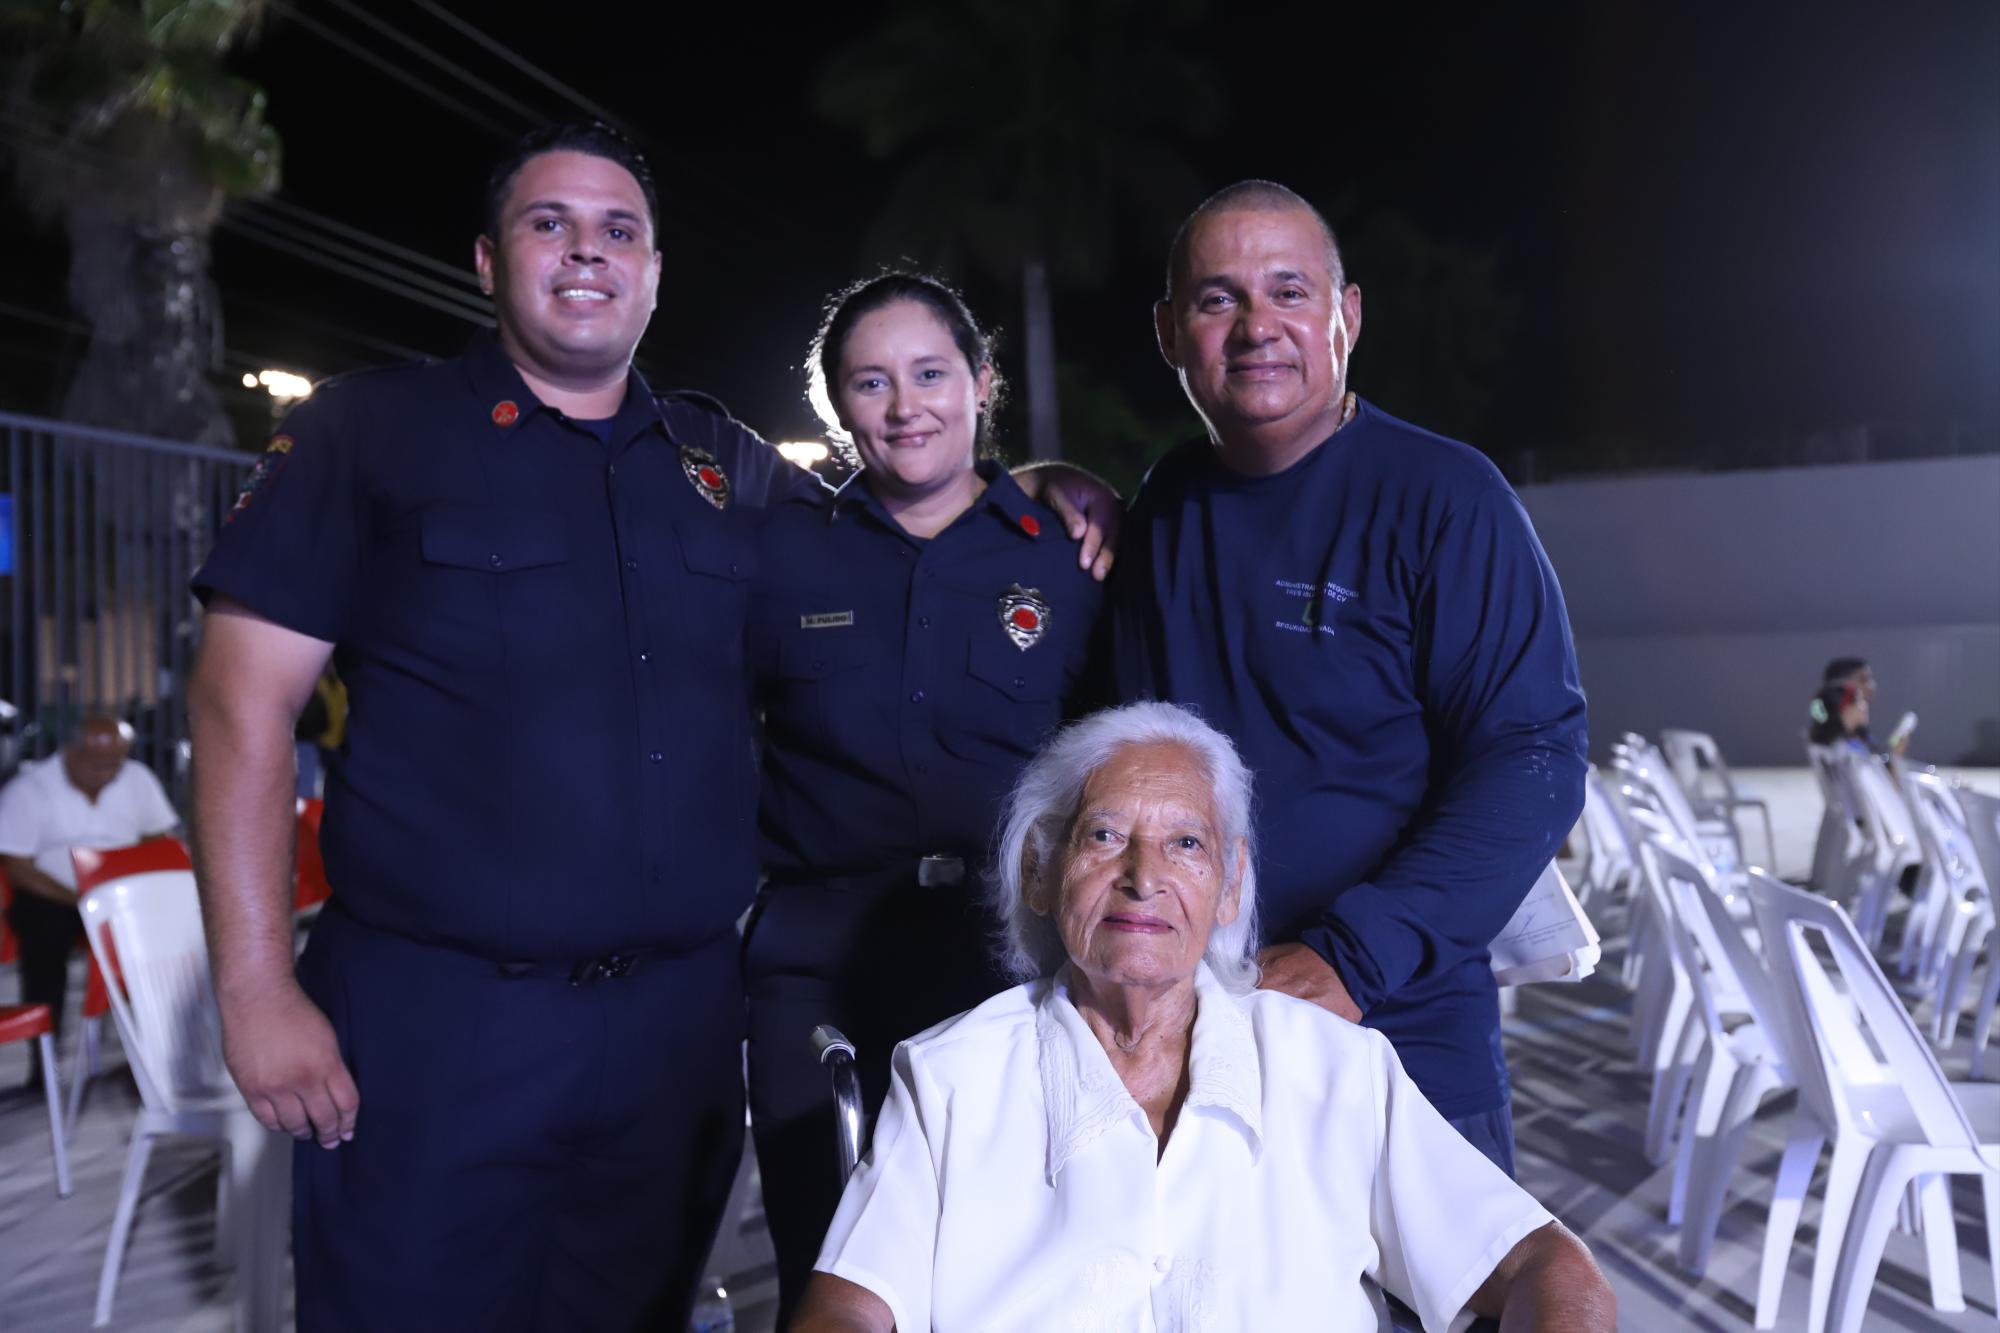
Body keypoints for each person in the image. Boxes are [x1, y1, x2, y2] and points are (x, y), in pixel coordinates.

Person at [187, 122, 1120, 1330]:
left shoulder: (721, 467)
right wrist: (256, 993)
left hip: (670, 1036)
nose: (588, 252)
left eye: (618, 229)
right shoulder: (365, 434)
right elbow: (235, 702)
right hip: (440, 1022)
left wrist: (1041, 486)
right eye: (549, 224)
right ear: (486, 258)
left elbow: (908, 513)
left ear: (655, 272)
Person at [794, 702, 1617, 1332]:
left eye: (1186, 843)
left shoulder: (1335, 1067)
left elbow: (1552, 1269)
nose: (1143, 875)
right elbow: (847, 1308)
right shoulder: (950, 1077)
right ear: (1042, 874)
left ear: (1230, 885)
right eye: (1105, 834)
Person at [1101, 180, 1588, 1176]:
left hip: (1395, 1021)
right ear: (1166, 332)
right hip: (1196, 1021)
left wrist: (1350, 957)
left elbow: (1531, 761)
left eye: (1288, 290)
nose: (1254, 328)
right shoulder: (1162, 506)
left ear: (1345, 314)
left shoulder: (1445, 498)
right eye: (1214, 298)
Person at [744, 273, 1103, 1317]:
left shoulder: (1070, 557)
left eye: (930, 373)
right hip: (814, 967)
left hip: (1004, 961)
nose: (905, 407)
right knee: (829, 1264)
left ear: (981, 381)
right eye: (869, 382)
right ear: (838, 407)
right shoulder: (778, 558)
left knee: (998, 1270)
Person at [0, 715, 179, 1086]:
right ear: (70, 752)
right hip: (56, 897)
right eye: (96, 763)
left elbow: (158, 840)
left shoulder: (137, 779)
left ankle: (158, 1053)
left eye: (114, 763)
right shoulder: (29, 789)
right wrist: (81, 899)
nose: (106, 772)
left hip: (122, 899)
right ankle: (43, 1062)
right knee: (43, 938)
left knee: (170, 937)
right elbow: (18, 867)